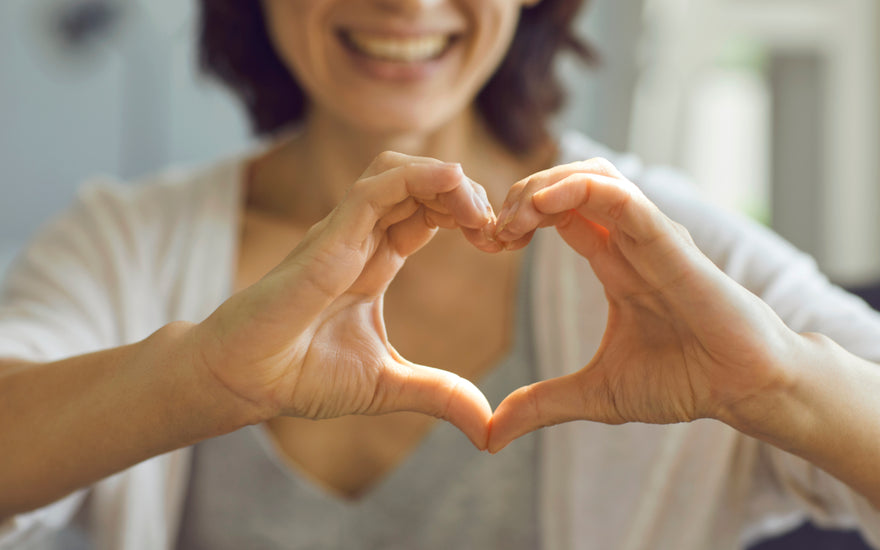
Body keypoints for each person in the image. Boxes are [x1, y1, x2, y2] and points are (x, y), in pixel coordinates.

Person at [2, 0, 880, 548]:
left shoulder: (674, 245)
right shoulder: (127, 242)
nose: (407, 1)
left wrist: (776, 382)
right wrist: (195, 380)